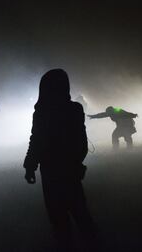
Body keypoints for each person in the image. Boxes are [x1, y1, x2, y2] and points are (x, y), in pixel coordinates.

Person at [24, 69, 97, 251]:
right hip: (69, 170)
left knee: (58, 216)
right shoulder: (74, 109)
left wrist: (30, 165)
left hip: (50, 170)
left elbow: (36, 140)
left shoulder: (41, 112)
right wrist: (76, 163)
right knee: (80, 212)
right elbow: (81, 142)